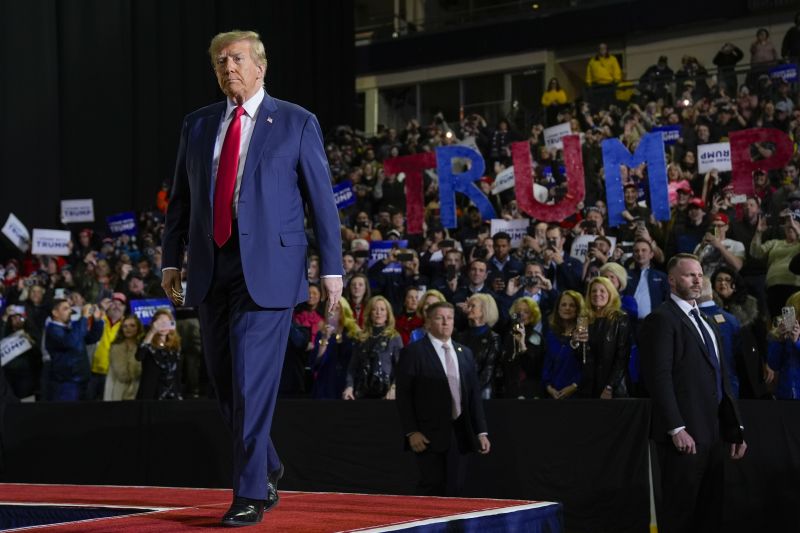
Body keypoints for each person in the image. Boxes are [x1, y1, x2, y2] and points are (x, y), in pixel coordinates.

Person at [160, 30, 343, 526]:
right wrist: (171, 259)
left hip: (269, 270)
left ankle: (249, 493)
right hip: (209, 267)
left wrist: (332, 269)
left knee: (250, 381)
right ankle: (266, 464)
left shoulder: (296, 121)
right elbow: (180, 201)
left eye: (237, 58)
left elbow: (322, 201)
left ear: (260, 66)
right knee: (225, 383)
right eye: (220, 61)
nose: (228, 67)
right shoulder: (197, 124)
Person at [640, 254, 746, 533]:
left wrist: (734, 426)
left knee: (710, 514)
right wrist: (676, 428)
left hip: (713, 434)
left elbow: (721, 378)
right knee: (680, 514)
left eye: (700, 275)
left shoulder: (708, 322)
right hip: (683, 435)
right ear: (672, 280)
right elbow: (658, 378)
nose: (697, 280)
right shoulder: (661, 319)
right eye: (689, 275)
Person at [395, 302, 490, 496]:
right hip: (427, 435)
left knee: (458, 488)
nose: (446, 322)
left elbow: (473, 396)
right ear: (428, 322)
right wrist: (412, 431)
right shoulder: (413, 352)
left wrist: (481, 432)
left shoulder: (465, 353)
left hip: (460, 433)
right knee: (432, 486)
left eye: (450, 318)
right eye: (440, 318)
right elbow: (404, 396)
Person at [343, 296, 403, 400]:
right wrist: (349, 386)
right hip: (362, 394)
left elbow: (401, 368)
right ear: (369, 313)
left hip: (386, 395)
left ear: (388, 314)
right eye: (375, 309)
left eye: (382, 309)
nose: (378, 313)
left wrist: (394, 388)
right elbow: (352, 367)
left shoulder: (394, 337)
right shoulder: (361, 338)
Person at [44, 299, 104, 401]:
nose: (70, 311)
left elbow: (92, 338)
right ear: (55, 313)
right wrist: (84, 317)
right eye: (65, 309)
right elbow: (71, 342)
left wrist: (97, 321)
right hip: (67, 383)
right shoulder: (52, 329)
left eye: (70, 308)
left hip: (83, 379)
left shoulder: (73, 326)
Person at [582, 277, 631, 398]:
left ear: (610, 294)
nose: (597, 294)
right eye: (593, 291)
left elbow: (622, 357)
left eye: (602, 291)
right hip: (588, 386)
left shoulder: (620, 319)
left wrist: (610, 386)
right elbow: (581, 356)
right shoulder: (585, 319)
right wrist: (575, 342)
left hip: (612, 388)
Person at [750, 212, 800, 318]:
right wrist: (758, 232)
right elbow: (755, 253)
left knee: (790, 320)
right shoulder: (776, 243)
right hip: (773, 287)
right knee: (776, 321)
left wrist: (795, 228)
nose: (790, 226)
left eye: (794, 224)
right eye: (787, 225)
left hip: (793, 287)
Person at [310, 298, 360, 400]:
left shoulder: (351, 333)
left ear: (342, 312)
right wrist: (325, 339)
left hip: (345, 384)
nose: (332, 312)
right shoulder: (321, 334)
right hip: (325, 385)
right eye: (330, 308)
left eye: (336, 309)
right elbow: (315, 364)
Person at [454, 294, 501, 399]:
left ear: (484, 310)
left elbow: (488, 370)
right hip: (459, 389)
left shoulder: (493, 338)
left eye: (473, 306)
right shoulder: (461, 336)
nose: (468, 309)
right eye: (468, 306)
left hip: (481, 393)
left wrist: (471, 390)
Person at [542, 291, 585, 400]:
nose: (567, 308)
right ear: (558, 308)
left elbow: (587, 366)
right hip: (552, 394)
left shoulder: (584, 334)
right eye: (563, 305)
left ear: (578, 309)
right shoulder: (551, 334)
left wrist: (574, 386)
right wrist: (548, 387)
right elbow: (547, 363)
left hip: (578, 395)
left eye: (572, 305)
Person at [136, 309, 182, 401]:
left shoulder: (174, 345)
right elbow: (139, 356)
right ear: (154, 324)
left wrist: (179, 394)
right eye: (160, 323)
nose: (163, 326)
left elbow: (177, 373)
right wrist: (152, 332)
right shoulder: (146, 341)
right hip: (151, 395)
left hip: (171, 395)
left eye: (166, 323)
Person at [767, 291, 800, 400]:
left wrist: (796, 342)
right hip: (785, 396)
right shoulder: (781, 333)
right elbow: (773, 364)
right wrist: (780, 340)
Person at [104, 315, 144, 401]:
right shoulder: (115, 348)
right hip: (118, 393)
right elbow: (113, 377)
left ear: (138, 328)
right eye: (125, 326)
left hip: (139, 392)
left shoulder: (143, 348)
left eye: (132, 325)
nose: (128, 328)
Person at [585, 43, 621, 111]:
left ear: (607, 49)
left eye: (604, 48)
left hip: (609, 86)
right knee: (599, 106)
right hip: (597, 87)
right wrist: (589, 83)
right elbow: (589, 73)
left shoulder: (612, 59)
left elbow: (616, 70)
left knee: (611, 105)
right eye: (600, 48)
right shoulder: (592, 61)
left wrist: (616, 80)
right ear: (598, 50)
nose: (602, 50)